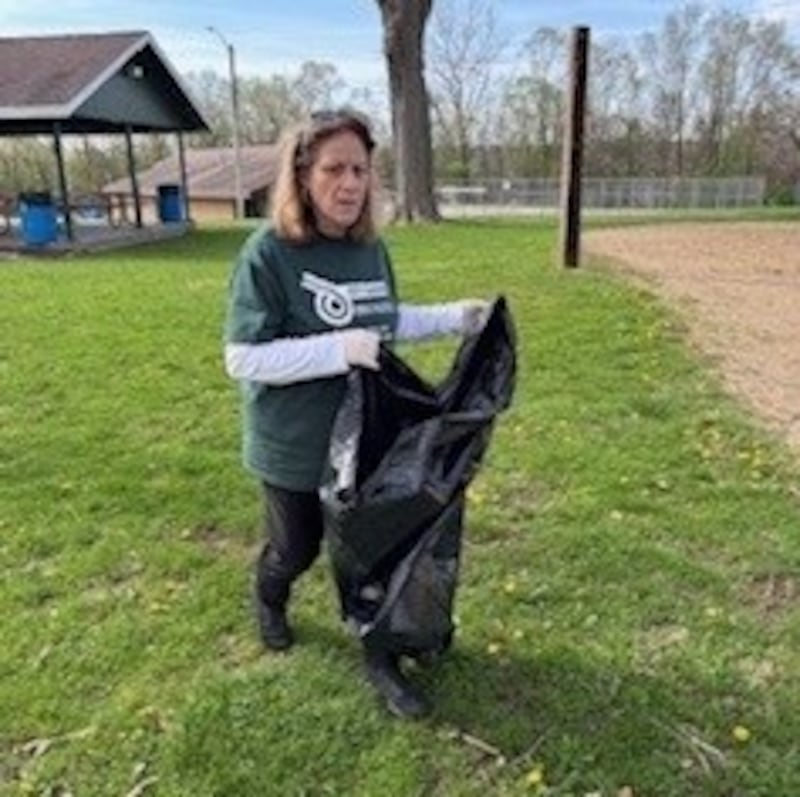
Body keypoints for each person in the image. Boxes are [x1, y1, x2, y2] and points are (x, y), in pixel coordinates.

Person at [223, 108, 489, 719]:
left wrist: (455, 315)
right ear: (302, 174)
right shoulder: (268, 254)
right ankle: (269, 595)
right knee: (297, 549)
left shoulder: (370, 249)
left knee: (374, 553)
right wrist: (333, 351)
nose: (350, 184)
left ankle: (381, 654)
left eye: (361, 170)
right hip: (294, 444)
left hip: (366, 441)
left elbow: (385, 323)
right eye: (334, 169)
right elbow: (242, 358)